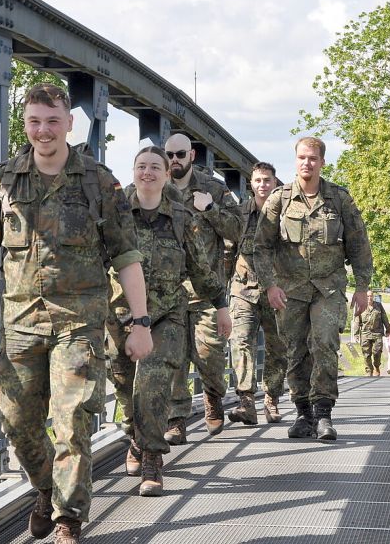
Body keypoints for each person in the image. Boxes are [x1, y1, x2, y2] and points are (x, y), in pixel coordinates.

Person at [0, 83, 153, 544]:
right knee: (17, 421)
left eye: (52, 121)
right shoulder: (3, 180)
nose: (43, 131)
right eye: (34, 122)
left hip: (80, 323)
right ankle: (44, 489)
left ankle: (69, 518)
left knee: (73, 422)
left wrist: (140, 322)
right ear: (25, 125)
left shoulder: (99, 182)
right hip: (21, 323)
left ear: (69, 123)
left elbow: (126, 256)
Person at [106, 146, 231, 497]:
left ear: (165, 174)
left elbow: (199, 265)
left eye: (155, 167)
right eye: (141, 166)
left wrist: (220, 304)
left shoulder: (180, 215)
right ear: (133, 171)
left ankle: (152, 460)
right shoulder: (113, 212)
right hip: (119, 314)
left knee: (154, 385)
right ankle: (135, 436)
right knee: (125, 388)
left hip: (167, 315)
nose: (148, 172)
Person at [254, 136, 374, 440]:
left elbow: (359, 244)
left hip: (328, 289)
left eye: (312, 158)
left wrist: (362, 287)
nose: (307, 163)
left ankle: (323, 414)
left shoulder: (338, 199)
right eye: (302, 158)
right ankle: (303, 413)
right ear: (295, 161)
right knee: (295, 350)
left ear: (322, 162)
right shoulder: (279, 200)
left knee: (324, 343)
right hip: (290, 289)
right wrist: (269, 285)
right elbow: (261, 247)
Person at [162, 134, 242, 443]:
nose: (174, 160)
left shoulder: (214, 188)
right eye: (169, 154)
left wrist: (210, 210)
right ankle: (176, 419)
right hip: (168, 292)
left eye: (180, 153)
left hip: (206, 291)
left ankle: (213, 394)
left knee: (209, 355)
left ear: (192, 155)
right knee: (174, 359)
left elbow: (238, 229)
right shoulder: (157, 188)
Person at [227, 162, 288, 424]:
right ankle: (246, 401)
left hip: (277, 290)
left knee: (278, 348)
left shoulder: (287, 213)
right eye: (257, 180)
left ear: (275, 183)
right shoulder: (240, 214)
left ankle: (272, 399)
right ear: (250, 184)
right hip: (244, 289)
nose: (262, 185)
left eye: (267, 180)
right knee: (240, 341)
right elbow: (227, 249)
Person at [351, 290, 390, 377]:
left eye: (371, 296)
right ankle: (369, 370)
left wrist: (388, 329)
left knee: (377, 352)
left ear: (373, 297)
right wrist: (356, 334)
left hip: (377, 333)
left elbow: (384, 317)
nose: (369, 298)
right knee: (366, 353)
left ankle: (376, 366)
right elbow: (357, 321)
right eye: (367, 296)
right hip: (365, 333)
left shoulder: (378, 305)